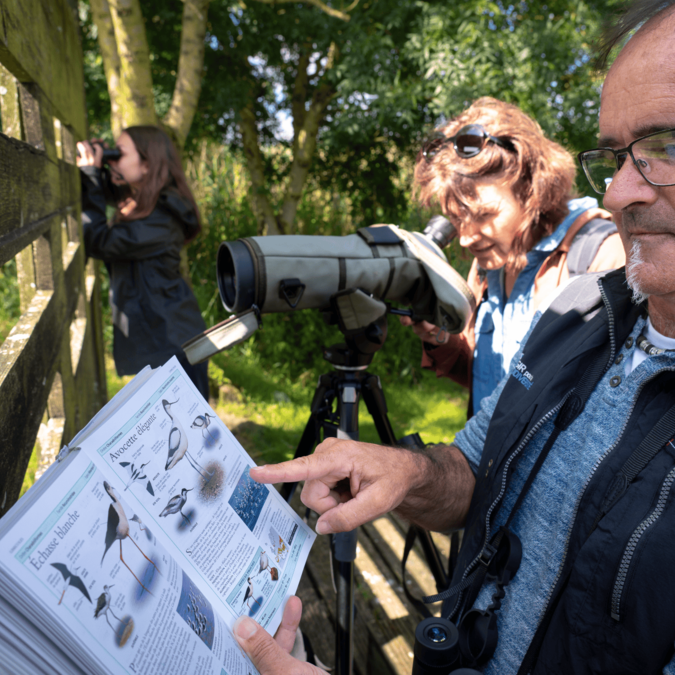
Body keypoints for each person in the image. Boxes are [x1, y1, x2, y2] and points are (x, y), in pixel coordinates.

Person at [229, 1, 675, 673]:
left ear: (529, 183)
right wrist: (409, 464)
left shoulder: (597, 263)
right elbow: (503, 443)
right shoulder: (573, 304)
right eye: (614, 158)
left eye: (663, 149)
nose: (619, 194)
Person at [402, 98, 625, 415]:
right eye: (457, 219)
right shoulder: (485, 268)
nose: (465, 237)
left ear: (532, 190)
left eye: (483, 215)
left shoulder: (601, 255)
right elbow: (487, 376)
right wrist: (438, 333)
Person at [77, 126, 209, 399]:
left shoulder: (162, 218)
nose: (114, 159)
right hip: (164, 337)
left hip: (173, 344)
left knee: (190, 434)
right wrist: (99, 167)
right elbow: (105, 194)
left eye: (120, 153)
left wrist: (91, 175)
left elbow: (98, 240)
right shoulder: (146, 204)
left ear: (147, 164)